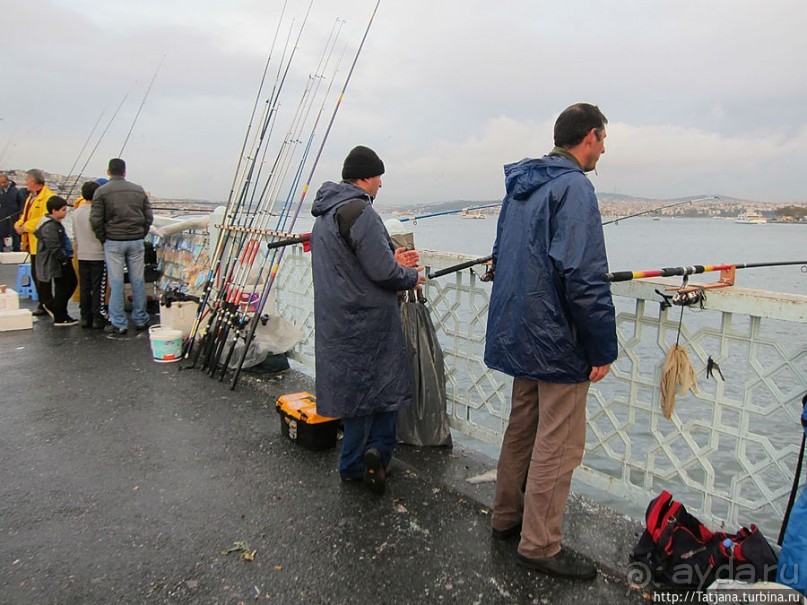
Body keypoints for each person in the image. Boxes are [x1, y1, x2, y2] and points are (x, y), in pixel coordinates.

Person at [484, 103, 618, 580]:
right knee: (557, 444)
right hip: (558, 340)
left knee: (522, 428)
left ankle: (505, 518)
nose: (604, 148)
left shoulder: (522, 187)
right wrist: (601, 347)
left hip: (519, 332)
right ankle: (540, 544)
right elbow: (583, 275)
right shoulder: (575, 187)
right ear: (590, 136)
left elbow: (502, 256)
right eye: (603, 140)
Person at [310, 145, 424, 495]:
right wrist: (409, 274)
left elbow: (355, 264)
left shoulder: (325, 215)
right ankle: (378, 456)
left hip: (337, 319)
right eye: (379, 177)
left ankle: (352, 464)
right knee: (384, 389)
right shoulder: (361, 211)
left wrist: (392, 259)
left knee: (354, 395)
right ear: (366, 177)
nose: (380, 185)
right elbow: (383, 272)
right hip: (369, 321)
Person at [90, 158, 153, 335]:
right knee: (138, 280)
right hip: (135, 240)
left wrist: (104, 237)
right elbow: (148, 216)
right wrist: (141, 232)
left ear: (108, 172)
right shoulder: (138, 190)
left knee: (116, 282)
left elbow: (95, 219)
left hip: (114, 241)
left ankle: (119, 323)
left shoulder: (101, 192)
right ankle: (140, 318)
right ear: (125, 172)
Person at [32, 196, 78, 326]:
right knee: (67, 285)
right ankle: (58, 313)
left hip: (59, 260)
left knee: (65, 286)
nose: (65, 212)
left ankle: (58, 310)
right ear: (54, 211)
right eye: (63, 210)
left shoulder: (50, 224)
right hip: (58, 261)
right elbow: (54, 246)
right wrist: (63, 260)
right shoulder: (50, 227)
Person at [14, 169, 55, 315]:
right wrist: (19, 225)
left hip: (41, 243)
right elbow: (25, 216)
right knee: (35, 273)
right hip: (31, 243)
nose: (26, 184)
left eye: (27, 181)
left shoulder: (48, 197)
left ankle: (46, 303)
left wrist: (26, 227)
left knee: (42, 275)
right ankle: (43, 302)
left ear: (34, 181)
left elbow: (44, 218)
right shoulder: (31, 197)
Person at [73, 181, 106, 328]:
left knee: (85, 286)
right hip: (98, 254)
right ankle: (97, 316)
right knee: (98, 286)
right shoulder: (98, 212)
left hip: (82, 253)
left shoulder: (76, 212)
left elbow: (75, 235)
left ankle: (85, 316)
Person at [0, 173, 23, 252]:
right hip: (2, 216)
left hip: (14, 216)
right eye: (0, 183)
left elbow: (21, 203)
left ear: (7, 181)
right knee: (1, 233)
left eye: (4, 182)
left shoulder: (15, 191)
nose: (2, 184)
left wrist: (20, 214)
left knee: (15, 234)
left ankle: (16, 250)